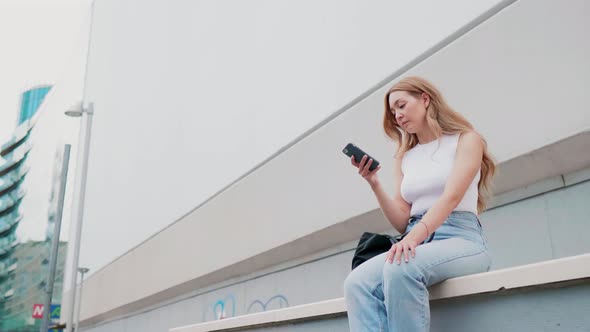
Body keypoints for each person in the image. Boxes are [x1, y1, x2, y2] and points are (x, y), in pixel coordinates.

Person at [343, 76, 496, 331]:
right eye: (393, 112)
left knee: (400, 269)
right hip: (416, 241)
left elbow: (451, 197)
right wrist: (374, 182)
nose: (397, 116)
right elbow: (403, 218)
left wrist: (413, 238)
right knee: (357, 283)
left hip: (462, 238)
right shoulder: (405, 156)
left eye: (401, 106)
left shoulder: (467, 140)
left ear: (425, 99)